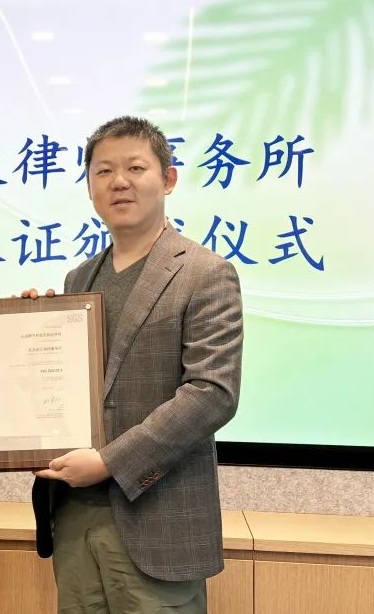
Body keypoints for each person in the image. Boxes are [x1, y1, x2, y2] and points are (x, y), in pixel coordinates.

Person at [26, 116, 243, 613]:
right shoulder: (79, 278)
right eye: (103, 171)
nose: (118, 182)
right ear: (89, 187)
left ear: (168, 179)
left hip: (157, 517)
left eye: (135, 168)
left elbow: (212, 394)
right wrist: (31, 328)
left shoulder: (205, 274)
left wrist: (109, 462)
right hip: (75, 517)